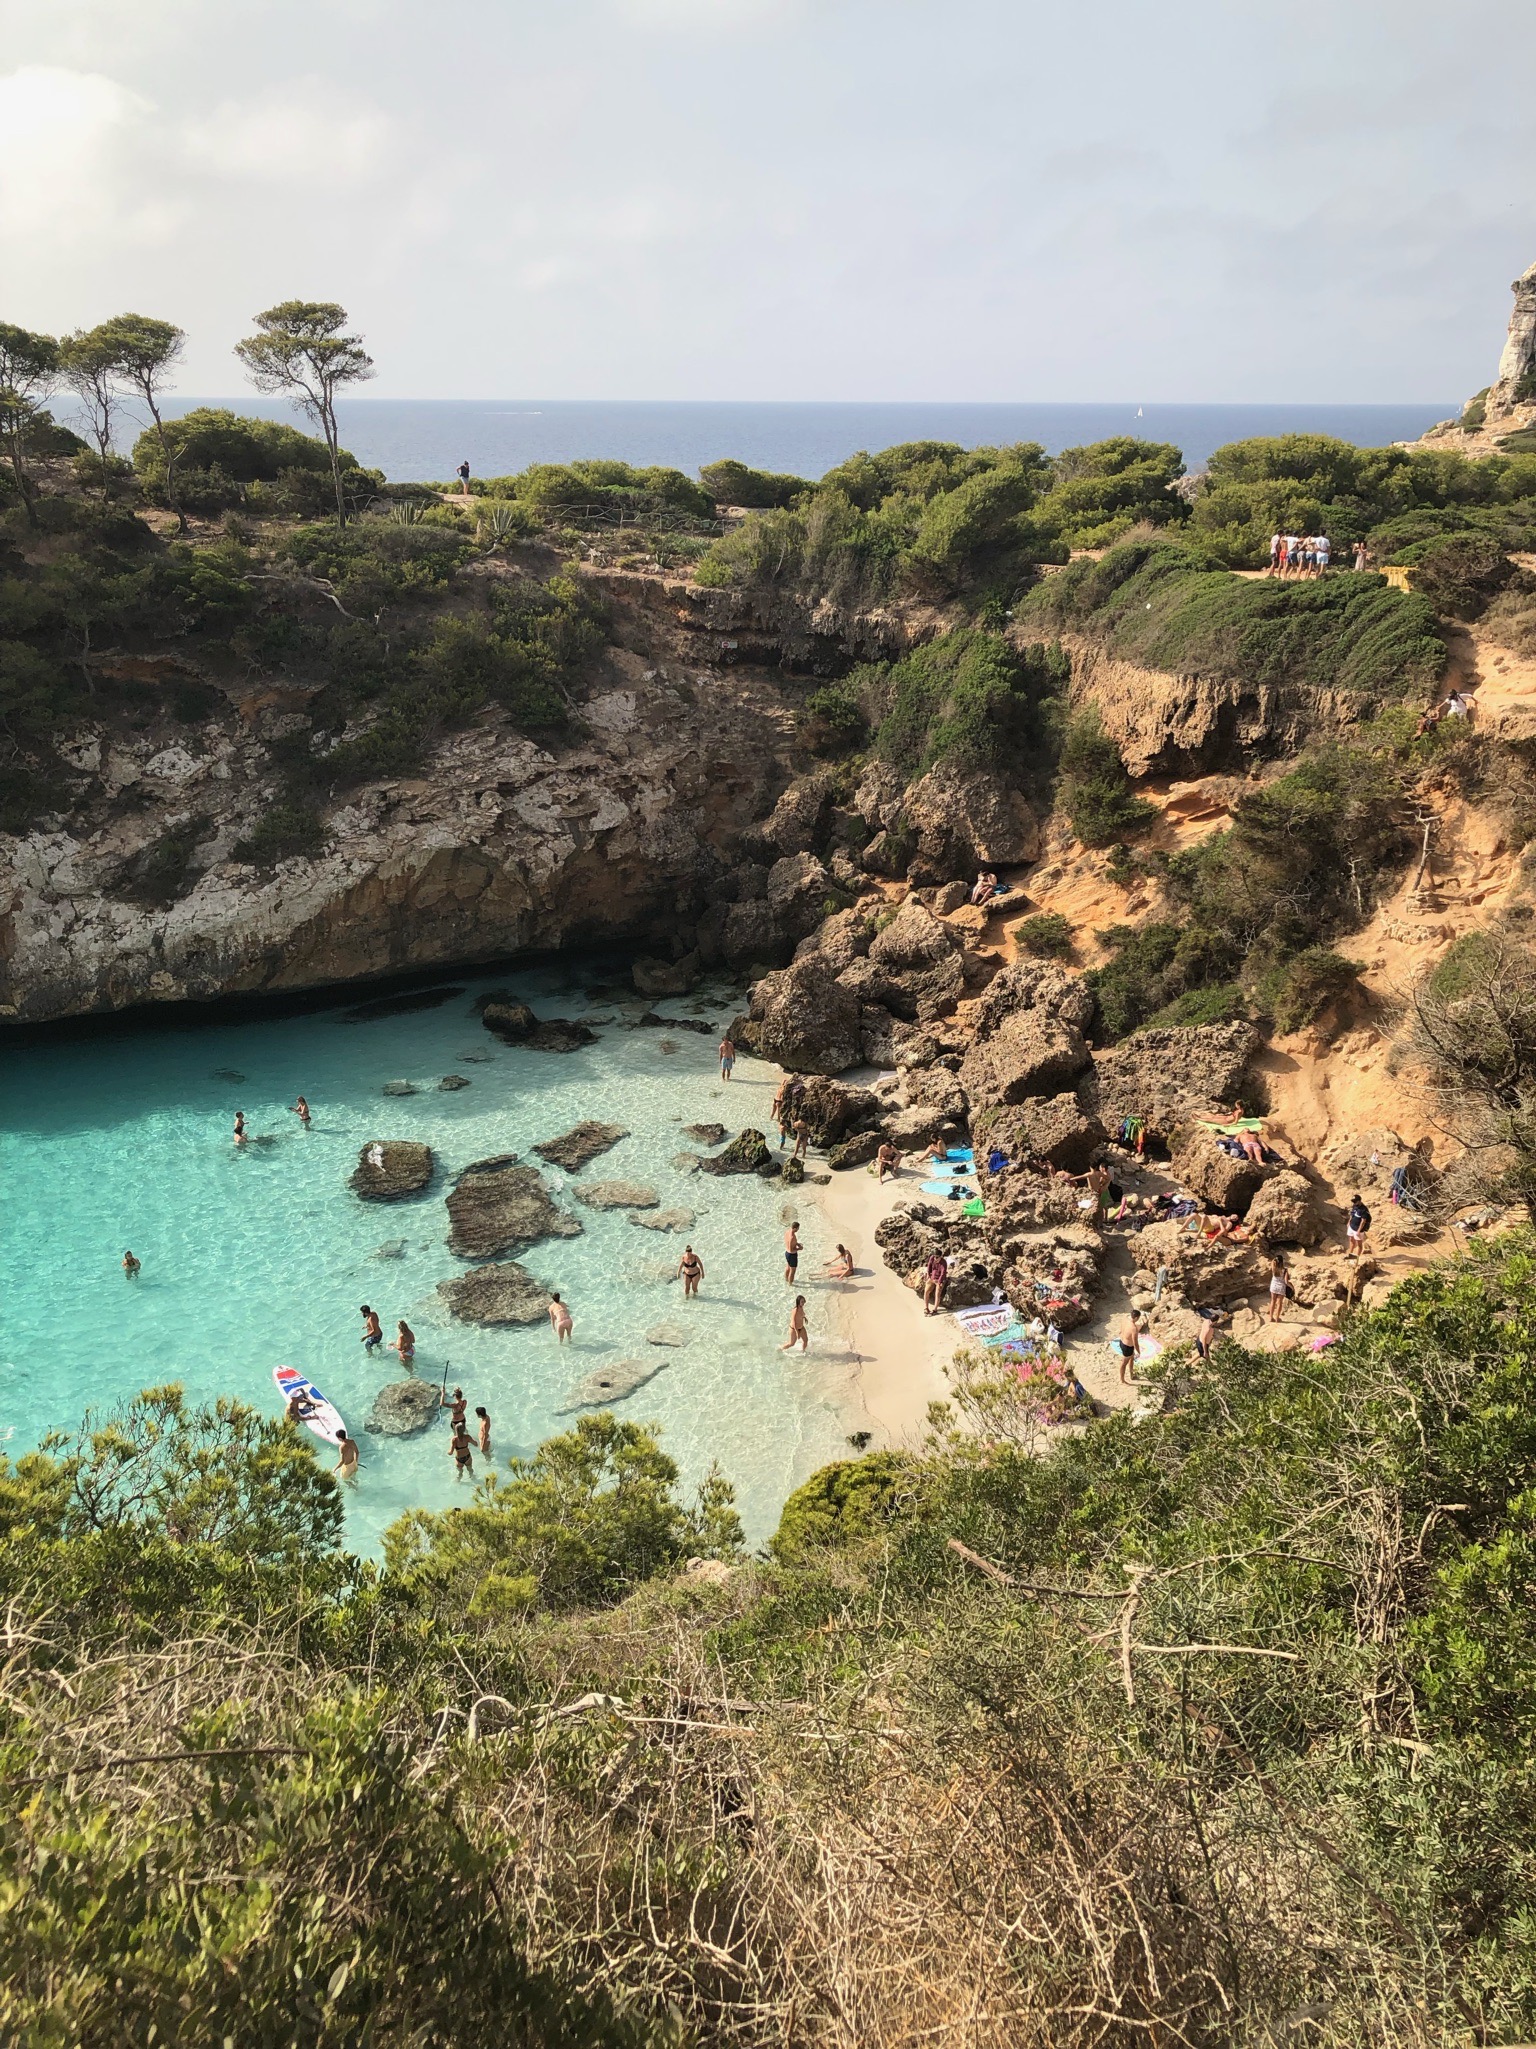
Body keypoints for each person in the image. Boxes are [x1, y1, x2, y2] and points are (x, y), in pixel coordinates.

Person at [1112, 1309, 1145, 1386]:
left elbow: (1120, 1330)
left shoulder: (1125, 1320)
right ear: (1136, 1318)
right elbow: (1135, 1342)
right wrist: (1138, 1351)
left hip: (1122, 1341)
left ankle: (1131, 1374)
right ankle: (1122, 1380)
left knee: (1132, 1358)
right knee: (1124, 1363)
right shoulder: (1134, 1328)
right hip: (1127, 1347)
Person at [922, 1250, 948, 1316]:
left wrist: (939, 1282)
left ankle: (935, 1309)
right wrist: (928, 1275)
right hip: (932, 1277)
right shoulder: (932, 1258)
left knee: (937, 1294)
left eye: (937, 1257)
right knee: (926, 1291)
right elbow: (929, 1267)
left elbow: (943, 1273)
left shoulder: (943, 1263)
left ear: (941, 1257)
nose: (935, 1258)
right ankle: (926, 1308)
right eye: (934, 1257)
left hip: (940, 1279)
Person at [1346, 1193, 1372, 1259]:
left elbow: (1363, 1221)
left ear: (1359, 1201)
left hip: (1358, 1229)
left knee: (1359, 1244)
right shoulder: (1355, 1206)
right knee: (1351, 1240)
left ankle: (1357, 1257)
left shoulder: (1364, 1210)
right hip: (1352, 1226)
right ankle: (1350, 1254)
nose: (1354, 1203)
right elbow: (1352, 1214)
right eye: (1353, 1201)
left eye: (1355, 1201)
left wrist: (1359, 1231)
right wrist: (1349, 1222)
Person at [1268, 1255, 1289, 1323]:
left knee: (1273, 1301)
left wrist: (1274, 1260)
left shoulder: (1274, 1268)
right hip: (1281, 1287)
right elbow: (1286, 1282)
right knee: (1279, 1303)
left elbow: (1272, 1261)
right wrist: (1291, 1287)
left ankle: (1271, 1317)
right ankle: (1277, 1318)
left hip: (1273, 1286)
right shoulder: (1285, 1270)